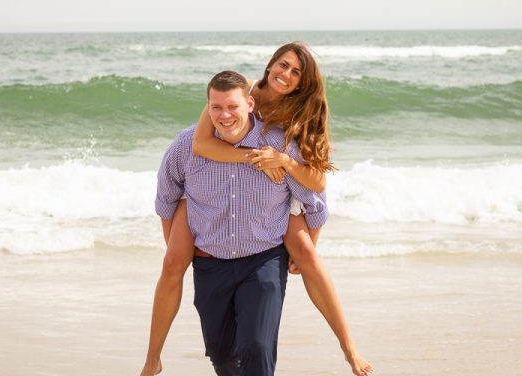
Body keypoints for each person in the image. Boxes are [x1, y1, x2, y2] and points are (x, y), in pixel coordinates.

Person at [141, 44, 372, 376]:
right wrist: (252, 155)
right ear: (270, 65)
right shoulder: (235, 97)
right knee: (176, 265)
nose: (285, 75)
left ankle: (349, 348)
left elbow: (316, 191)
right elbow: (194, 154)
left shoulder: (300, 117)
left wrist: (284, 161)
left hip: (276, 198)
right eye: (282, 65)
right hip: (219, 225)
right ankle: (152, 359)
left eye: (296, 72)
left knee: (304, 256)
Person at [155, 70, 327, 375]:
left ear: (249, 104)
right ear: (207, 109)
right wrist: (174, 247)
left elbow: (313, 196)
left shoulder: (277, 146)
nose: (225, 115)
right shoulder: (186, 145)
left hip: (263, 260)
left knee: (257, 348)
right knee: (221, 356)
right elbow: (168, 197)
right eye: (216, 107)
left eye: (232, 106)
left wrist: (309, 245)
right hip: (210, 264)